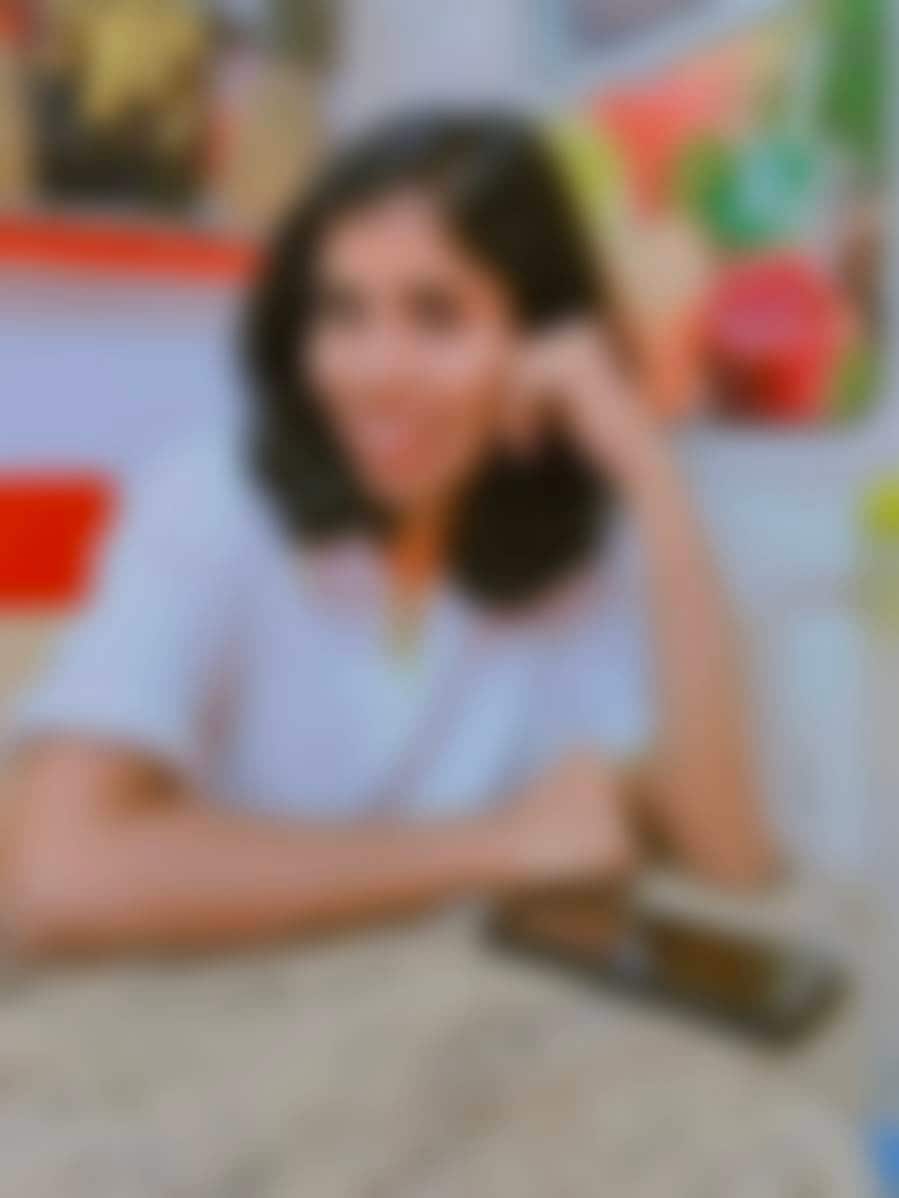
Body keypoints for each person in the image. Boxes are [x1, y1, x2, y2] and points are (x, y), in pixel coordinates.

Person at [2, 111, 774, 956]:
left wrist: (648, 469)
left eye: (436, 316)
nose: (376, 373)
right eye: (343, 312)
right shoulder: (215, 498)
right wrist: (500, 845)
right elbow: (55, 876)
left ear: (538, 333)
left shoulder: (575, 546)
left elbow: (729, 861)